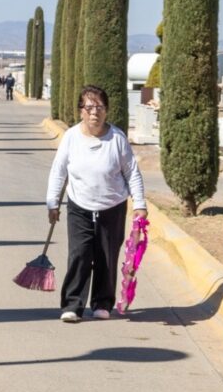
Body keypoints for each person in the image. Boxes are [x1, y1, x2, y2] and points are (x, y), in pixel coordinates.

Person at [46, 85, 147, 323]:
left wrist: (140, 204)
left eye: (100, 107)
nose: (95, 112)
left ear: (106, 110)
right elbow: (59, 171)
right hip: (79, 206)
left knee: (107, 255)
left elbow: (132, 172)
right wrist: (52, 202)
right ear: (81, 110)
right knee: (79, 254)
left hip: (112, 206)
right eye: (89, 107)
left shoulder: (117, 138)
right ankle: (73, 304)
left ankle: (102, 303)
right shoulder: (71, 137)